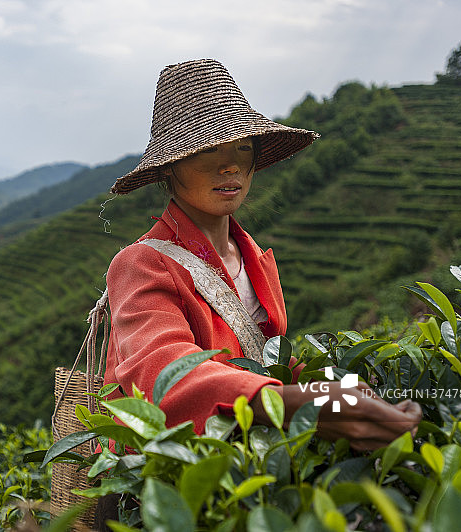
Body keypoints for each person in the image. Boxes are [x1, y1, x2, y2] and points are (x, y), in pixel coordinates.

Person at [103, 58, 422, 452]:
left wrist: (335, 390)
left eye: (241, 147)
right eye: (208, 150)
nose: (230, 165)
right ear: (171, 167)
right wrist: (311, 404)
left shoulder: (253, 257)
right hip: (164, 472)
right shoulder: (142, 265)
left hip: (243, 454)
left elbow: (265, 362)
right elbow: (166, 377)